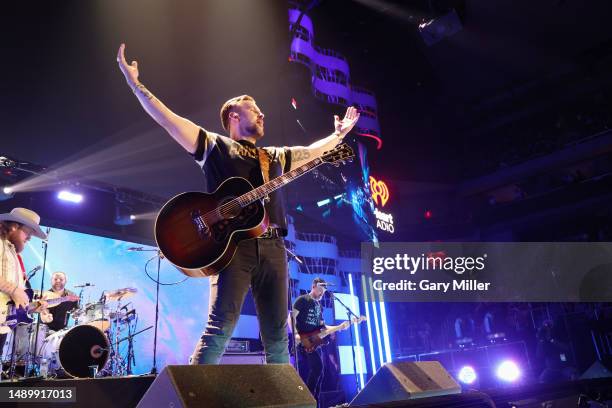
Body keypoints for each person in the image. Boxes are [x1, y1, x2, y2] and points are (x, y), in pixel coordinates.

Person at [117, 44, 359, 365]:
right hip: (231, 248)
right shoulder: (215, 146)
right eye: (253, 108)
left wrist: (337, 137)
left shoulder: (272, 156)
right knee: (220, 329)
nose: (262, 113)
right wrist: (135, 83)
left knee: (277, 337)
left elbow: (311, 152)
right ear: (234, 116)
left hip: (273, 248)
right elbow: (168, 120)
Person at [0, 208, 47, 359]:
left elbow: (10, 300)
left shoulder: (12, 252)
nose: (29, 239)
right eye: (28, 233)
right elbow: (13, 291)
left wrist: (32, 306)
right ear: (14, 226)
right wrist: (14, 290)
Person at [293, 278, 348, 403]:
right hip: (303, 340)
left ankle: (315, 402)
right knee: (317, 368)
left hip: (315, 341)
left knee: (321, 372)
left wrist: (340, 326)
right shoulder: (302, 300)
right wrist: (296, 335)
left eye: (323, 291)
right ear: (313, 286)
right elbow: (291, 318)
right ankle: (307, 400)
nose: (322, 293)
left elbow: (324, 328)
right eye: (320, 290)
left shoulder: (319, 306)